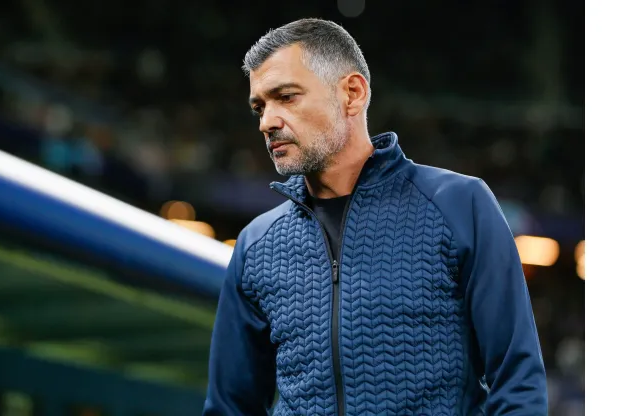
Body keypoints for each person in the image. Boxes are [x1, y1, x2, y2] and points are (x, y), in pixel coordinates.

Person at [202, 18, 547, 416]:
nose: (267, 122)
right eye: (259, 106)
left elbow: (517, 383)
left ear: (352, 93)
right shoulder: (256, 244)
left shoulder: (459, 205)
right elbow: (230, 407)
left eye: (286, 97)